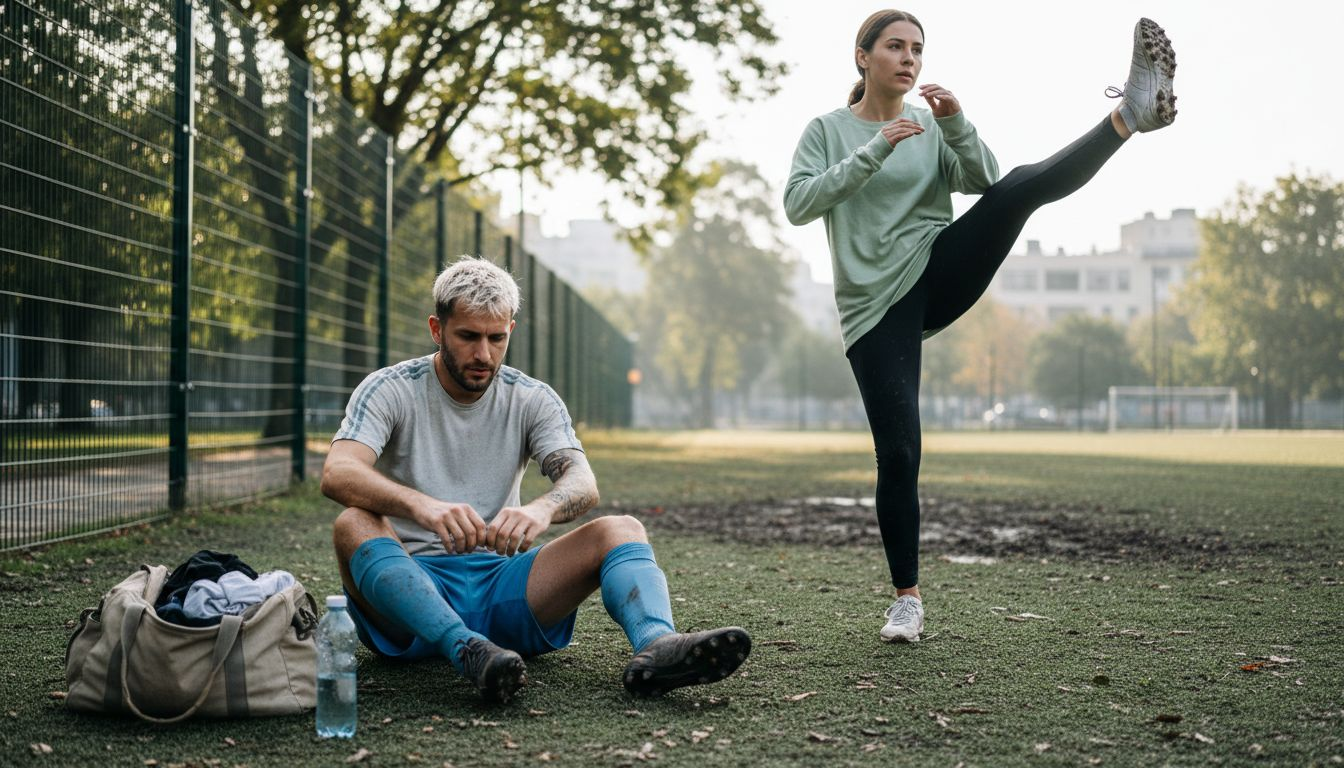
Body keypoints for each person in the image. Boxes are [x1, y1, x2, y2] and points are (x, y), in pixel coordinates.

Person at [783, 11, 1176, 643]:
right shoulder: (827, 131)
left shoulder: (932, 126)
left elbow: (991, 185)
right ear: (863, 58)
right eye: (894, 47)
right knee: (900, 450)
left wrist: (957, 125)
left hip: (937, 269)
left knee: (1020, 186)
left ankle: (1130, 116)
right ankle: (906, 599)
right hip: (874, 307)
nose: (908, 59)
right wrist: (875, 149)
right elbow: (799, 204)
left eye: (917, 49)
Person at [322, 256, 751, 702]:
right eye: (468, 336)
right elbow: (339, 471)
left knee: (621, 529)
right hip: (406, 598)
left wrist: (541, 508)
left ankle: (657, 646)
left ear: (511, 329)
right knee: (353, 523)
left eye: (496, 338)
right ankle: (464, 648)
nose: (483, 354)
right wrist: (420, 505)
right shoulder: (390, 388)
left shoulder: (531, 397)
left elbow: (581, 481)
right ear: (437, 329)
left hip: (502, 586)